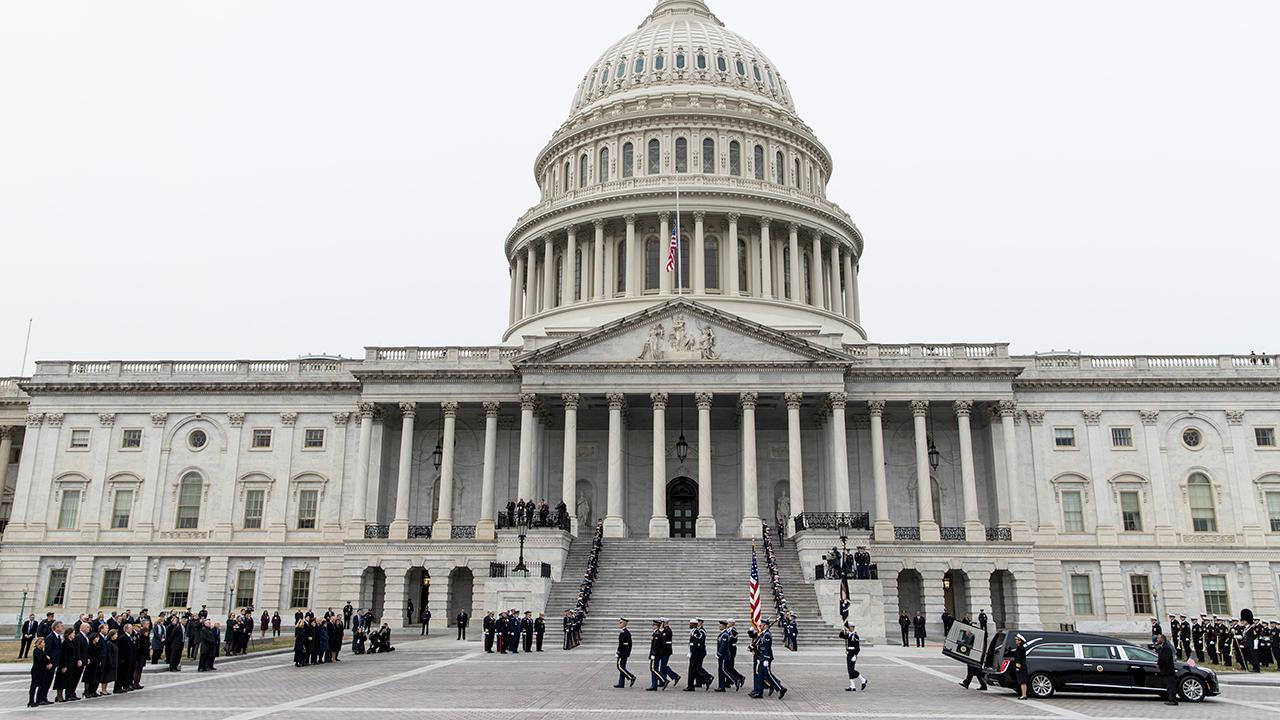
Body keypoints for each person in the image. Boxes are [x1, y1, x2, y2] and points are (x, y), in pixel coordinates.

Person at [748, 617, 785, 699]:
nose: (760, 625)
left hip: (765, 658)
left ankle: (781, 688)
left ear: (765, 625)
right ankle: (759, 693)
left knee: (768, 675)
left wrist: (766, 659)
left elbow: (767, 648)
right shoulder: (763, 634)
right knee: (760, 676)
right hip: (761, 657)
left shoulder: (767, 635)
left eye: (761, 624)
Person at [684, 618, 713, 691]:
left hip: (696, 653)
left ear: (694, 624)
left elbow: (697, 643)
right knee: (693, 669)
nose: (689, 625)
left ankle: (707, 678)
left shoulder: (696, 632)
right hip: (695, 652)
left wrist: (692, 652)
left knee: (693, 668)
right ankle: (692, 685)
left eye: (691, 624)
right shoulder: (694, 631)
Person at [840, 621, 867, 692]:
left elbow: (857, 647)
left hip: (853, 653)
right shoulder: (849, 635)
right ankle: (852, 686)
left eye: (850, 627)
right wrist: (843, 630)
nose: (849, 628)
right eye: (848, 627)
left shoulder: (855, 636)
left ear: (853, 627)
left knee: (851, 670)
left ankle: (863, 679)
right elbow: (841, 636)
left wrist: (855, 655)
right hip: (849, 653)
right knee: (849, 670)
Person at [1156, 633, 1178, 705]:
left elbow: (1165, 659)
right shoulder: (1162, 647)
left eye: (1158, 638)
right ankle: (1171, 699)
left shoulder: (1166, 648)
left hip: (1168, 670)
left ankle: (1173, 700)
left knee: (1171, 686)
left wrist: (1159, 665)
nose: (1157, 639)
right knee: (1169, 686)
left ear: (1162, 639)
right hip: (1166, 670)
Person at [614, 618, 636, 688]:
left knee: (619, 666)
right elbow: (630, 644)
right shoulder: (627, 632)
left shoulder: (624, 632)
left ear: (624, 624)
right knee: (622, 667)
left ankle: (631, 677)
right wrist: (628, 652)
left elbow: (621, 644)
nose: (619, 624)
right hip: (625, 652)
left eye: (620, 623)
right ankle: (621, 683)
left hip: (622, 652)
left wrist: (618, 652)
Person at [29, 637, 50, 707]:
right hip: (37, 671)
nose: (44, 644)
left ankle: (39, 699)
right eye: (43, 643)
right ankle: (31, 701)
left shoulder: (41, 650)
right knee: (34, 686)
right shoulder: (37, 650)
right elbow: (40, 659)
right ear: (39, 643)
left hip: (41, 670)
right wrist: (47, 658)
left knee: (41, 685)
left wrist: (47, 659)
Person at [1012, 634, 1029, 700]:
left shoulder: (1020, 648)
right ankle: (1024, 694)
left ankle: (1024, 695)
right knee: (1022, 681)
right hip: (1022, 666)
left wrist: (1017, 667)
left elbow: (1018, 659)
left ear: (1020, 641)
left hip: (1021, 667)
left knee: (1022, 681)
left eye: (1017, 640)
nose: (1016, 641)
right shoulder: (1021, 648)